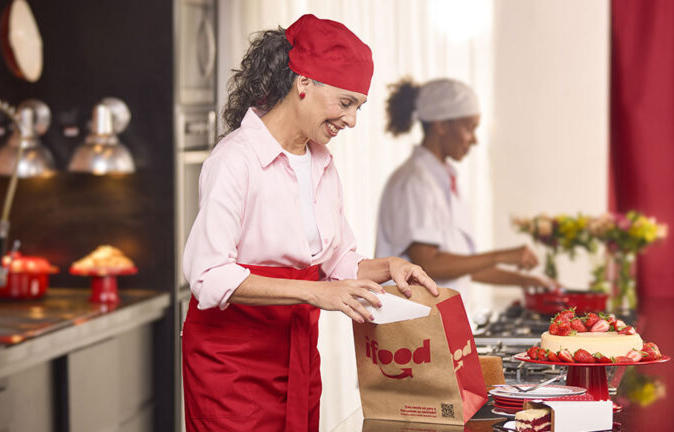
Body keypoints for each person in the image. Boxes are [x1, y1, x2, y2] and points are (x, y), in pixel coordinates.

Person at [181, 15, 438, 432]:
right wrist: (316, 292)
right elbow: (208, 275)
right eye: (346, 102)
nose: (352, 120)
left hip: (296, 353)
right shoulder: (235, 160)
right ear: (303, 83)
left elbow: (338, 264)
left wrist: (388, 266)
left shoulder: (321, 163)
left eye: (358, 107)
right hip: (230, 362)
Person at [375, 77, 554, 314]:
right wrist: (501, 256)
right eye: (469, 128)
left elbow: (459, 266)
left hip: (437, 319)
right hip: (414, 322)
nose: (474, 139)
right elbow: (428, 263)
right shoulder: (415, 181)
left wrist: (526, 281)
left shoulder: (442, 179)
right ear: (441, 125)